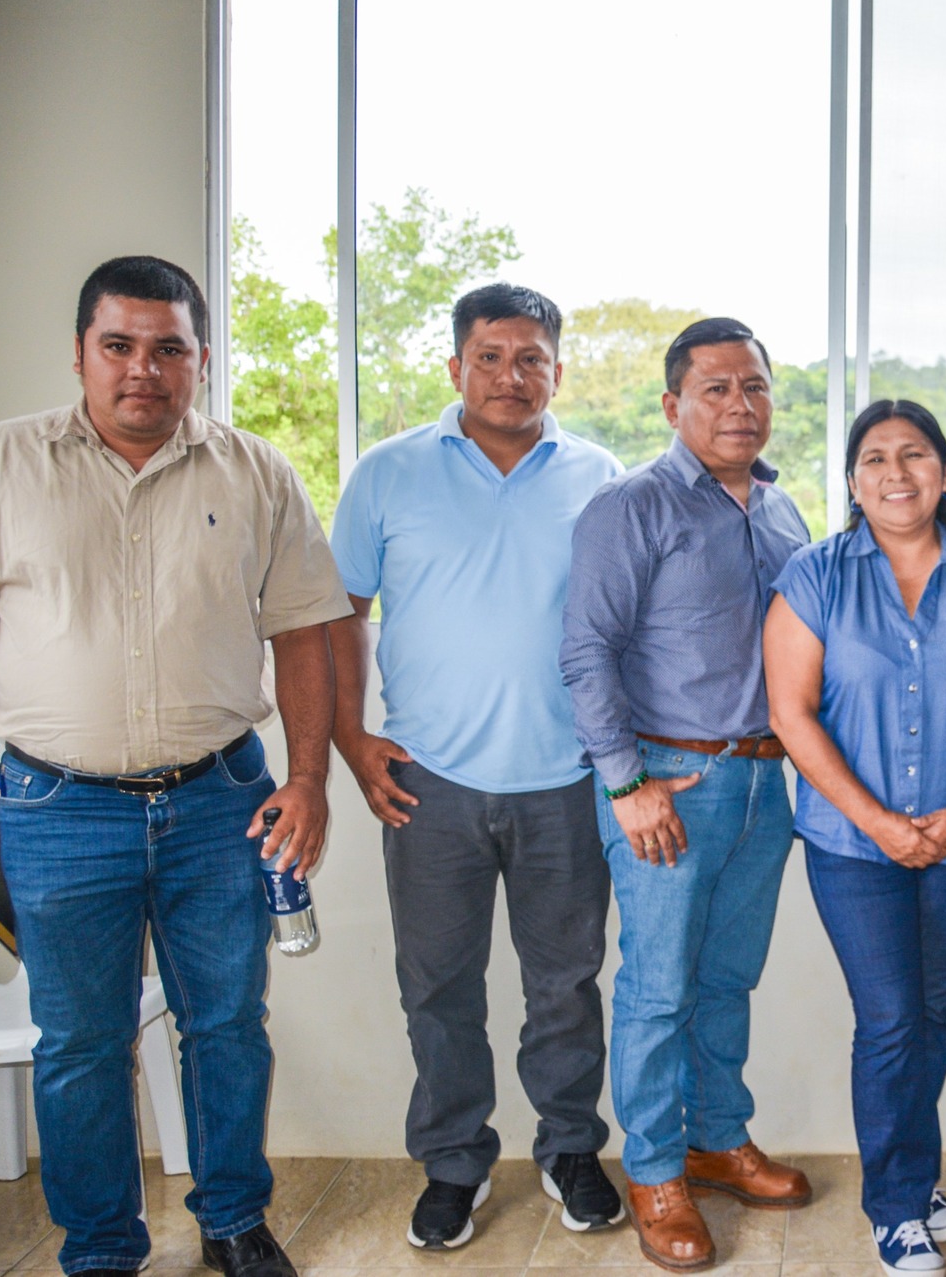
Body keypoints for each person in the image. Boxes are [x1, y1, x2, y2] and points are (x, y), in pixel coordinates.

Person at [0, 256, 350, 1277]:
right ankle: (102, 1246)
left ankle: (232, 1221)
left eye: (168, 348)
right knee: (79, 1042)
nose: (144, 367)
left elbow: (304, 633)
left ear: (201, 358)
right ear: (81, 353)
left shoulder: (256, 471)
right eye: (119, 345)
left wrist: (308, 779)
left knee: (226, 1022)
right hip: (53, 805)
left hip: (221, 800)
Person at [328, 284, 626, 1249]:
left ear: (557, 371)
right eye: (490, 357)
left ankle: (570, 1147)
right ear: (455, 366)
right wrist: (351, 737)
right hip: (430, 783)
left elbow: (626, 623)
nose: (510, 375)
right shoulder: (387, 472)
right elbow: (341, 615)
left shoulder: (601, 476)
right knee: (437, 987)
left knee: (566, 985)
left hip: (566, 780)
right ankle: (454, 1160)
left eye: (530, 357)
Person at [560, 316, 815, 1273]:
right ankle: (656, 1170)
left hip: (763, 784)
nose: (740, 405)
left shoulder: (783, 513)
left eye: (755, 386)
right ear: (674, 405)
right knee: (659, 987)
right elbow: (586, 650)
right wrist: (626, 783)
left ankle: (717, 1138)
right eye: (716, 388)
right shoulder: (632, 505)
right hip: (668, 782)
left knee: (727, 978)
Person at [763, 399, 946, 1274]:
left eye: (914, 454)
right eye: (875, 458)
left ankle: (912, 1174)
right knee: (888, 1018)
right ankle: (896, 1206)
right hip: (853, 848)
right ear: (852, 481)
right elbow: (792, 714)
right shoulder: (814, 576)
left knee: (932, 1011)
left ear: (945, 473)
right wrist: (879, 822)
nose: (896, 472)